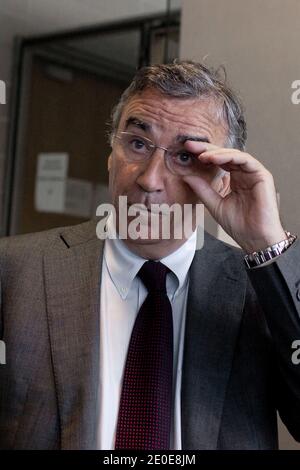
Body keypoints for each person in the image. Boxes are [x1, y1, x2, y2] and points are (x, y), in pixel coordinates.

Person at [0, 61, 300, 450]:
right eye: (138, 143)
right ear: (112, 154)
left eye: (185, 156)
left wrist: (267, 245)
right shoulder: (14, 270)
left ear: (223, 177)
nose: (150, 179)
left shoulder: (259, 291)